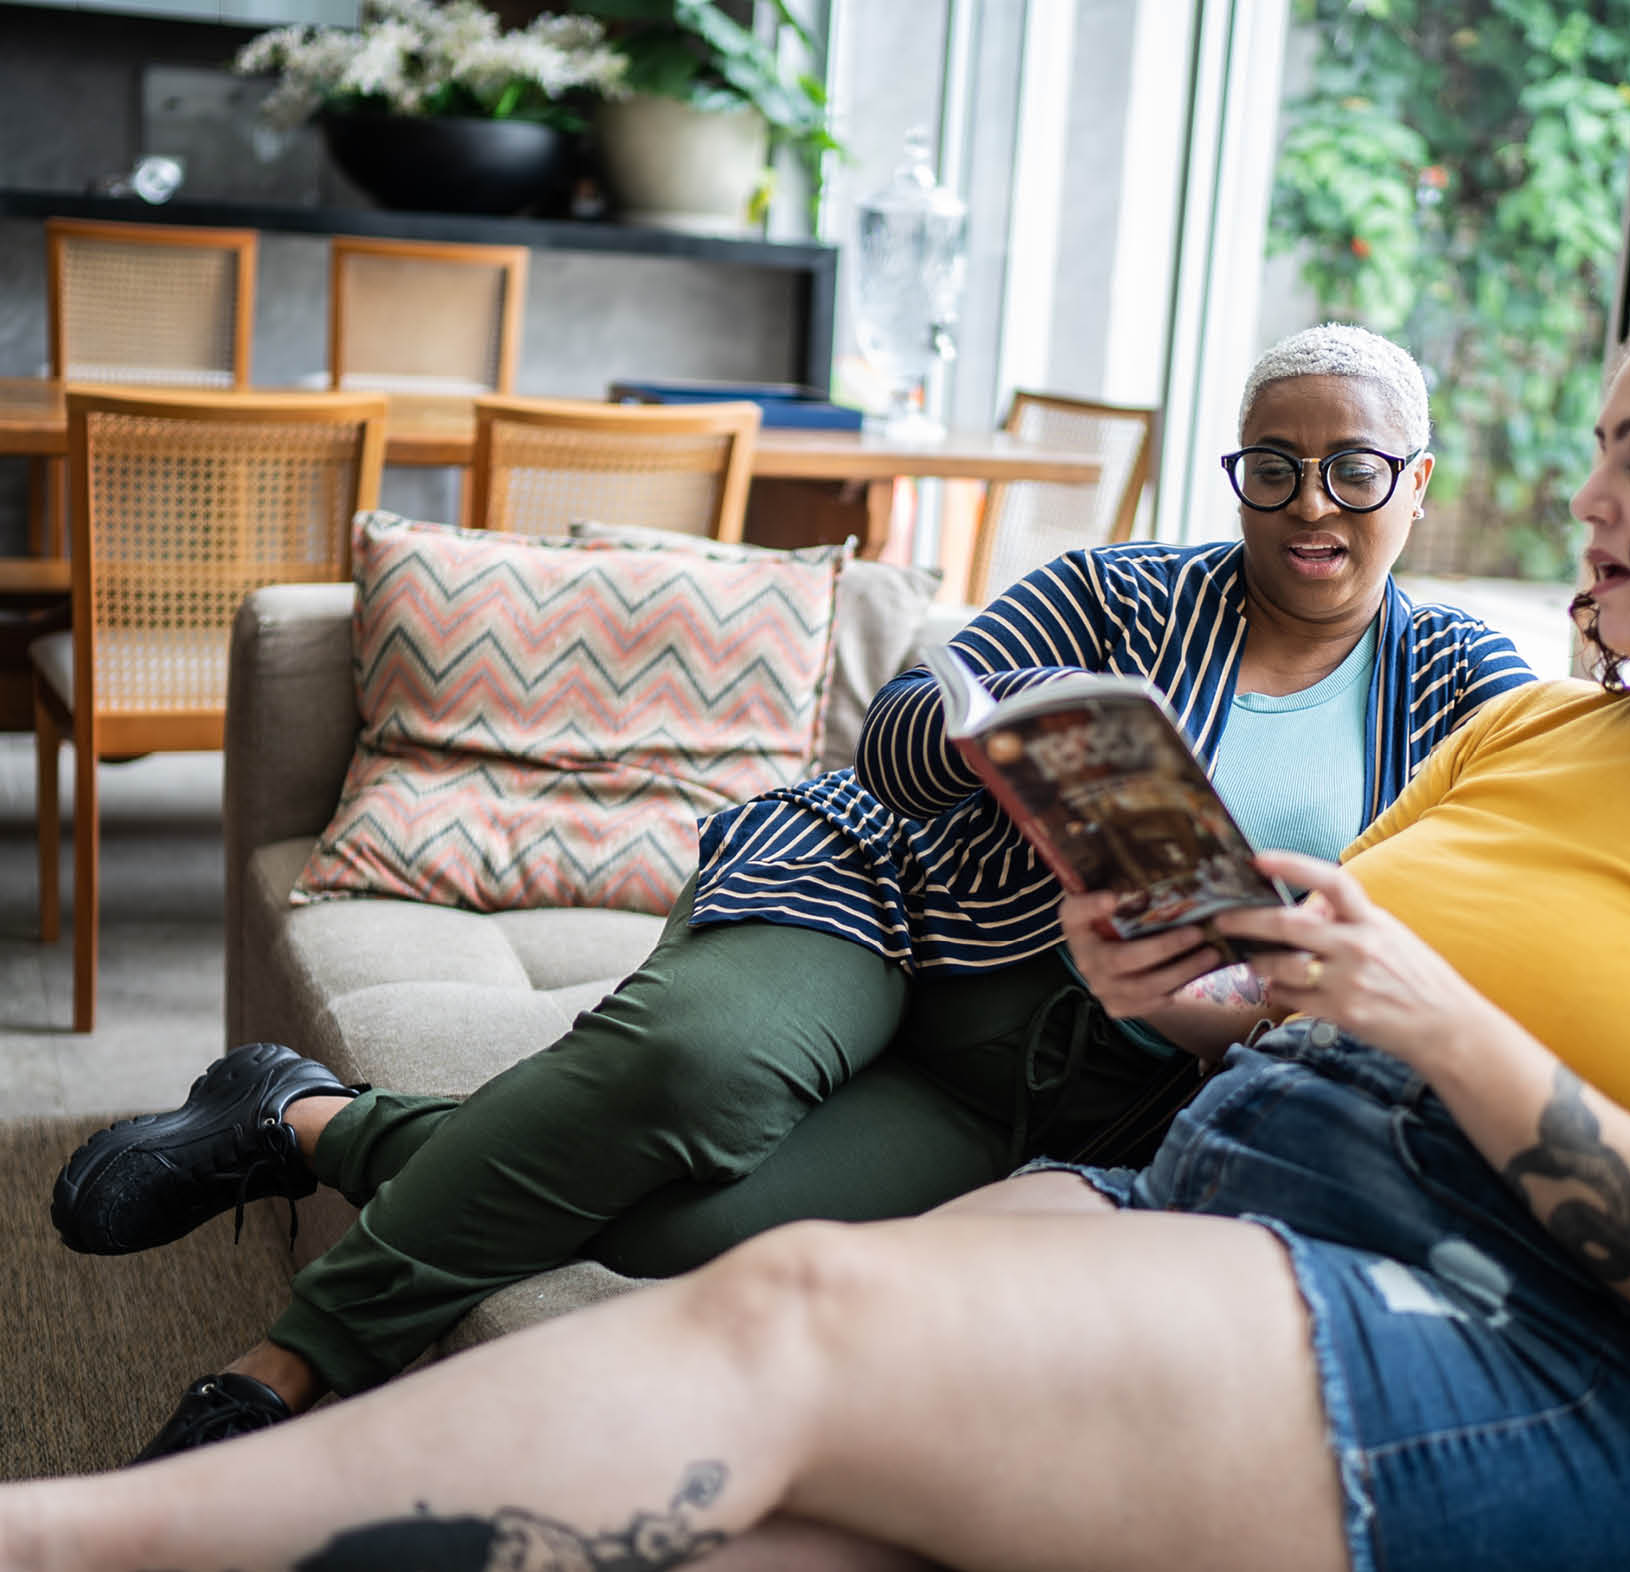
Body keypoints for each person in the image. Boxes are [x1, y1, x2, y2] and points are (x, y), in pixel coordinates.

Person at [5, 278, 1630, 1572]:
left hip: (1476, 1309)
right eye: (1274, 463)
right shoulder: (1537, 745)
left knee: (782, 1311)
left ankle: (87, 1538)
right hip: (1117, 1091)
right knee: (731, 1489)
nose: (1586, 491)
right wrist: (1179, 980)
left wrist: (1407, 1011)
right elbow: (958, 760)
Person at [48, 323, 1534, 1462]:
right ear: (1240, 474)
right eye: (1272, 464)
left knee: (677, 1223)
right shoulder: (1132, 591)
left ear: (1416, 478)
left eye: (1353, 467)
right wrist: (969, 737)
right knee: (688, 1074)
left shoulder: (1465, 687)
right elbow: (896, 729)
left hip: (1069, 1071)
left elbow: (1526, 863)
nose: (1309, 503)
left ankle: (300, 1120)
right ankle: (293, 1367)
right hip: (888, 905)